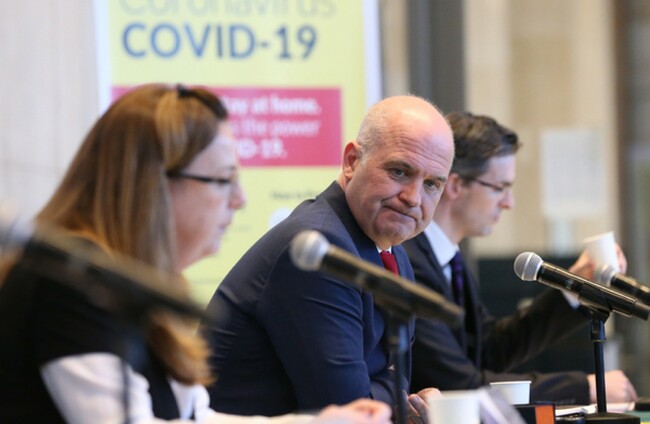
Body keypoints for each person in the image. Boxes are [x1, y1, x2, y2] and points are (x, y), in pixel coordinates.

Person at [0, 84, 392, 424]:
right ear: (154, 184)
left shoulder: (139, 283)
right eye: (223, 180)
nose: (239, 200)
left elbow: (196, 417)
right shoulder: (73, 281)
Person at [203, 95, 455, 419]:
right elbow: (350, 409)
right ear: (351, 161)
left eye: (432, 184)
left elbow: (394, 381)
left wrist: (388, 392)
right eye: (399, 172)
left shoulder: (393, 253)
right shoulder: (322, 252)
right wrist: (393, 395)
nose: (413, 198)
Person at [402, 111, 638, 405]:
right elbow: (458, 384)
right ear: (456, 185)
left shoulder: (451, 260)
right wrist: (583, 388)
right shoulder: (409, 262)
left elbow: (490, 349)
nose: (509, 203)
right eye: (499, 188)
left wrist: (574, 288)